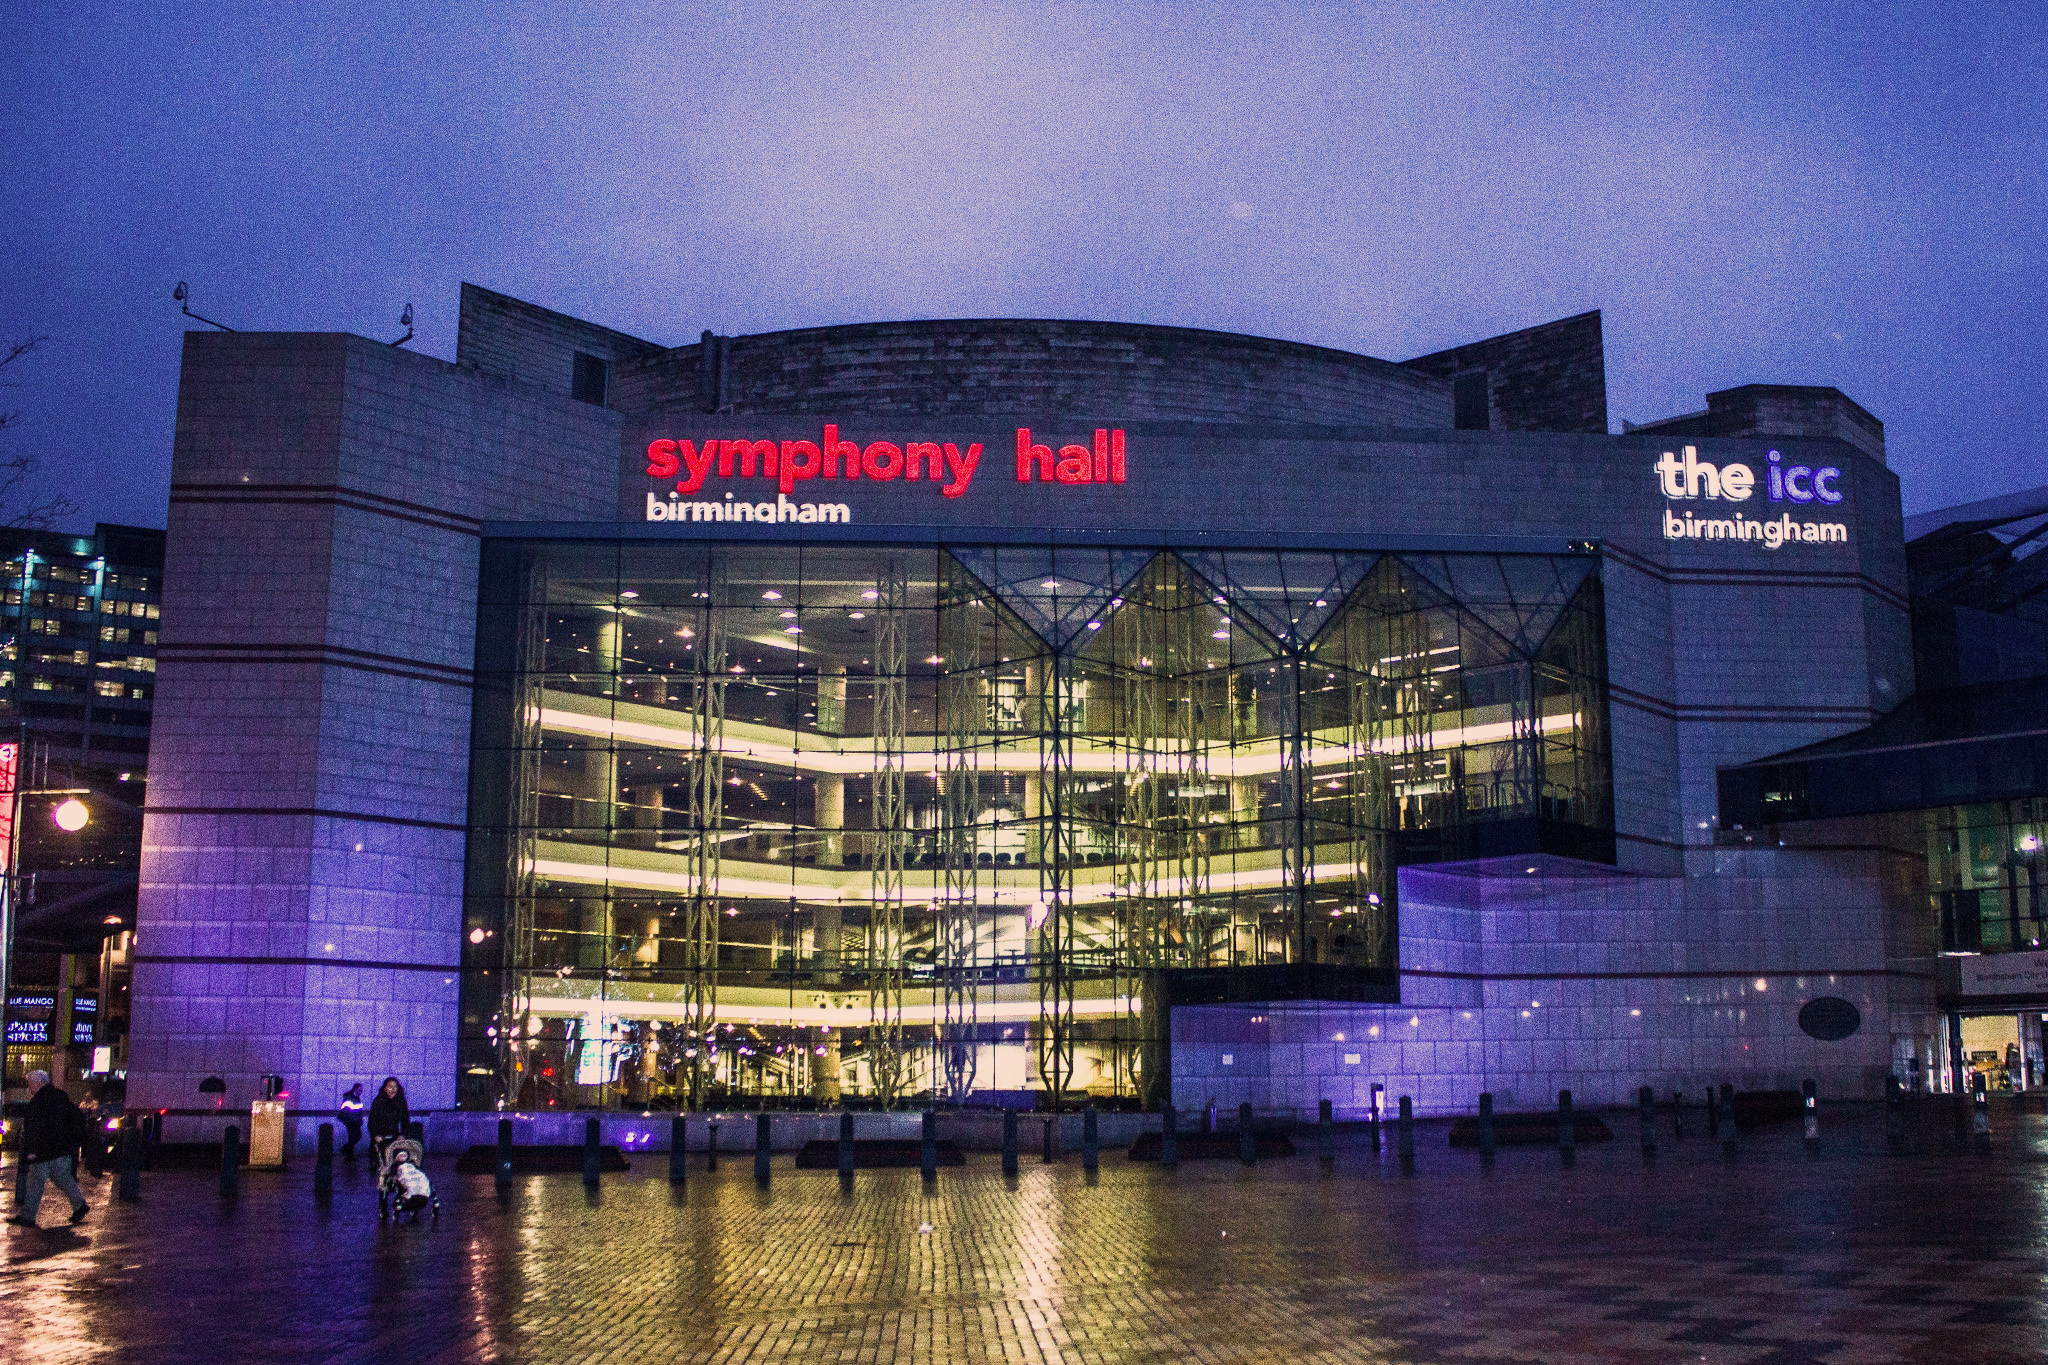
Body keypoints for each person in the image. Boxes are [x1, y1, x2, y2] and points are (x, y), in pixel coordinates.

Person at [6, 1070, 88, 1228]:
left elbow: (34, 1129)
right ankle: (80, 1205)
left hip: (43, 1151)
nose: (29, 1088)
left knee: (35, 1182)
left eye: (30, 1084)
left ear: (37, 1084)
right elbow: (74, 1117)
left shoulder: (38, 1101)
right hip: (60, 1148)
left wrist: (31, 1151)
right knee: (63, 1178)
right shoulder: (60, 1096)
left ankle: (28, 1216)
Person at [366, 1076, 410, 1165]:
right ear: (385, 1088)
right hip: (380, 1135)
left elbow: (405, 1120)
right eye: (390, 1087)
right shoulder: (378, 1101)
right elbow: (372, 1121)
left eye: (395, 1087)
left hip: (394, 1135)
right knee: (378, 1162)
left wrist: (403, 1134)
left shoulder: (401, 1102)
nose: (393, 1089)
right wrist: (375, 1135)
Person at [337, 1083, 366, 1159]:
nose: (361, 1092)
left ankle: (345, 1150)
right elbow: (346, 1111)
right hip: (350, 1121)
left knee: (356, 1136)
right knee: (353, 1136)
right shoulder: (349, 1097)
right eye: (360, 1090)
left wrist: (360, 1119)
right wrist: (352, 1119)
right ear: (355, 1089)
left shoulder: (356, 1097)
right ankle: (349, 1154)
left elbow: (358, 1110)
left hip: (355, 1120)